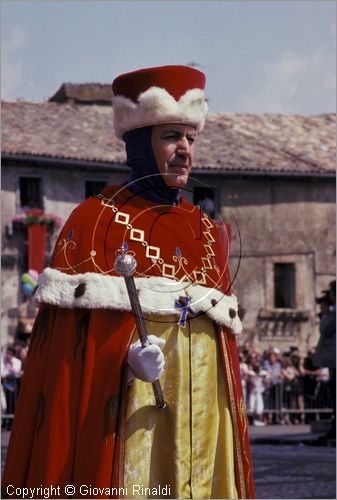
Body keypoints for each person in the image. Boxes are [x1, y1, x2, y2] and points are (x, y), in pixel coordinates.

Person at [3, 65, 255, 499]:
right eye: (171, 137)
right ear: (140, 143)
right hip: (129, 432)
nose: (185, 151)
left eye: (190, 139)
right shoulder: (96, 220)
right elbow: (64, 357)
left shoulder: (209, 233)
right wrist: (121, 359)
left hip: (203, 436)